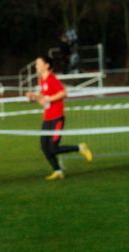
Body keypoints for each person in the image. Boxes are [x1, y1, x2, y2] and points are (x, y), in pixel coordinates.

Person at [26, 53, 92, 181]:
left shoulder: (52, 79)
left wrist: (47, 98)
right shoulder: (41, 80)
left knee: (53, 148)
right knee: (44, 147)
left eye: (38, 63)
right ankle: (57, 171)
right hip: (47, 118)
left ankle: (80, 147)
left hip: (57, 118)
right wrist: (33, 97)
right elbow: (43, 100)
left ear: (46, 65)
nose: (36, 66)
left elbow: (63, 93)